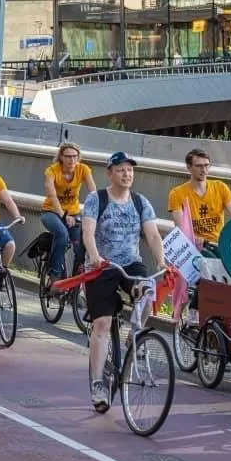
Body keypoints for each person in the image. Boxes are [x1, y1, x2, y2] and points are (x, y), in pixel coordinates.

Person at [82, 151, 167, 413]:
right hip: (102, 266)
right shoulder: (97, 199)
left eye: (130, 170)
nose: (126, 174)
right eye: (120, 169)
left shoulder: (141, 202)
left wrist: (161, 261)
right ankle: (98, 383)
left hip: (130, 263)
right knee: (103, 323)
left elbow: (152, 234)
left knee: (147, 289)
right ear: (110, 173)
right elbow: (88, 231)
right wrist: (94, 256)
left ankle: (135, 334)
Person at [41, 142, 96, 286]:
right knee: (62, 234)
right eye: (68, 157)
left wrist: (98, 212)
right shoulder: (52, 171)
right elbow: (52, 196)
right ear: (61, 157)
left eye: (75, 156)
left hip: (74, 212)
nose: (72, 160)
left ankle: (75, 285)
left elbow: (93, 194)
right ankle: (54, 276)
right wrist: (64, 216)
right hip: (51, 211)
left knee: (80, 248)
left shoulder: (83, 169)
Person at [167, 148, 231, 251]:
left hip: (217, 245)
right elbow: (181, 228)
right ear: (189, 167)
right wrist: (195, 239)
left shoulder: (220, 187)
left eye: (206, 165)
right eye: (199, 166)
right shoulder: (177, 194)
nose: (204, 170)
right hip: (193, 247)